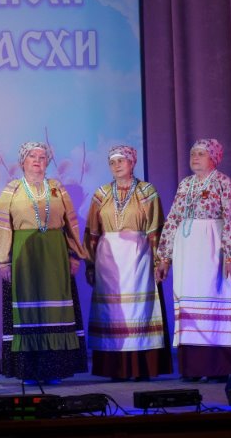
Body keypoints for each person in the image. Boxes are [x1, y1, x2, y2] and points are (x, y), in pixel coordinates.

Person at [0, 142, 88, 384]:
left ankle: (55, 369)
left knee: (55, 311)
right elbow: (1, 225)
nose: (37, 160)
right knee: (28, 311)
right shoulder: (12, 189)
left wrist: (74, 255)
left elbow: (71, 223)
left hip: (54, 256)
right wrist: (3, 261)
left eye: (42, 157)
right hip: (24, 257)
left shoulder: (56, 188)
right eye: (32, 156)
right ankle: (28, 371)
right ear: (22, 161)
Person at [159, 138, 231, 381]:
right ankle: (193, 367)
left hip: (214, 250)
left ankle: (219, 367)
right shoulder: (185, 184)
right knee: (189, 305)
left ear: (214, 158)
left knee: (215, 301)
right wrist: (165, 257)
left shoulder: (224, 183)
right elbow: (173, 219)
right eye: (193, 153)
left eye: (201, 153)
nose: (195, 157)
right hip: (188, 253)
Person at [83, 145, 172, 380]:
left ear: (132, 163)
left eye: (121, 160)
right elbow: (92, 231)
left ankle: (140, 367)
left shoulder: (147, 191)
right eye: (112, 162)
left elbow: (156, 228)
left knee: (138, 308)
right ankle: (115, 368)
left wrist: (160, 261)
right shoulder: (101, 193)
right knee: (113, 311)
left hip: (138, 257)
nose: (117, 165)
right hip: (109, 260)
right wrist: (90, 264)